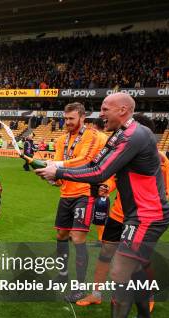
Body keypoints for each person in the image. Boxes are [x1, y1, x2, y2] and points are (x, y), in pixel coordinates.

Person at [36, 93, 169, 318]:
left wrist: (60, 171)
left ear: (123, 110)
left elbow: (100, 172)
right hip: (136, 214)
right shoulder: (120, 135)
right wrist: (60, 175)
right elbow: (94, 164)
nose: (101, 114)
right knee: (138, 271)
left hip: (147, 215)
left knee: (121, 271)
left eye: (105, 108)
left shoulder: (135, 135)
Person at [76, 113, 169, 308]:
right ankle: (95, 294)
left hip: (140, 219)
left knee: (138, 261)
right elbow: (112, 178)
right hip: (118, 215)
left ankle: (147, 298)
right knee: (105, 254)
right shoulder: (123, 152)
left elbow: (163, 194)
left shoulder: (158, 160)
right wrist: (106, 188)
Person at [49, 102, 107, 303]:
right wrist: (52, 177)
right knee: (61, 234)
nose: (67, 123)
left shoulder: (92, 135)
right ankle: (63, 274)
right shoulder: (60, 141)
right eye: (65, 119)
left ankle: (80, 287)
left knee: (77, 237)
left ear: (82, 118)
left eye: (71, 119)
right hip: (66, 194)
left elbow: (86, 161)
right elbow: (58, 171)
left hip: (85, 192)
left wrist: (55, 167)